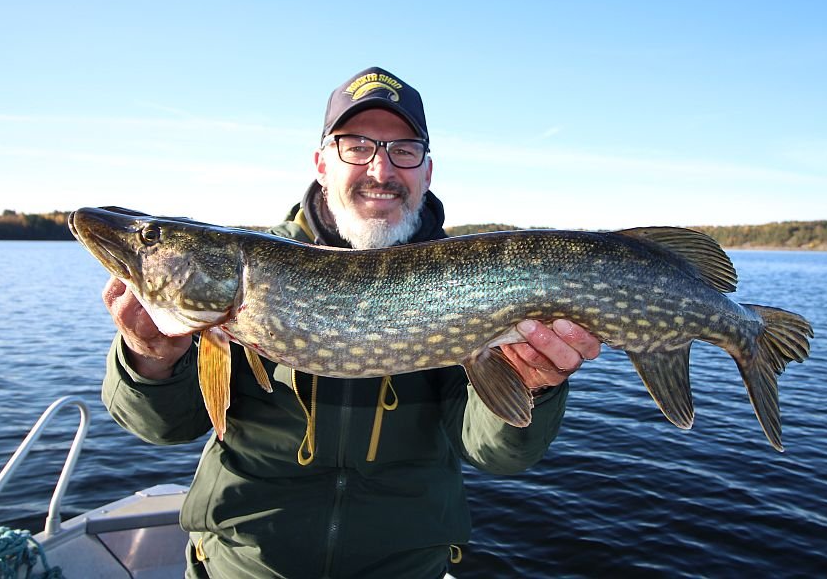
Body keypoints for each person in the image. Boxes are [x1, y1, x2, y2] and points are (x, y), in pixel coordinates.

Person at [101, 66, 601, 579]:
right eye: (356, 146)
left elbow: (494, 453)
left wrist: (533, 386)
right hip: (243, 567)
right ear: (321, 163)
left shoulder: (474, 282)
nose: (381, 171)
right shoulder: (250, 275)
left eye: (403, 151)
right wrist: (151, 360)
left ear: (427, 172)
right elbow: (165, 429)